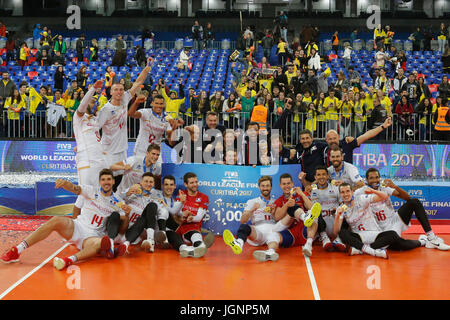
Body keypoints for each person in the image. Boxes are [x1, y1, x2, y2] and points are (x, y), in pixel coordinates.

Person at [0, 169, 131, 269]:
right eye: (103, 179)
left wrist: (127, 215)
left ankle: (68, 260)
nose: (106, 182)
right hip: (77, 227)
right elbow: (75, 189)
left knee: (100, 243)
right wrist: (65, 184)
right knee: (56, 219)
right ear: (100, 182)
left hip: (93, 235)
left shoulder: (118, 201)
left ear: (113, 181)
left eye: (109, 179)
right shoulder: (91, 191)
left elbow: (122, 228)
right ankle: (18, 250)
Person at [356, 168, 450, 251]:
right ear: (367, 180)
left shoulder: (384, 188)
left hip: (395, 220)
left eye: (376, 177)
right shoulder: (361, 192)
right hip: (381, 229)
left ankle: (431, 237)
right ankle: (423, 241)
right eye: (371, 178)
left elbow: (407, 198)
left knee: (414, 202)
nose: (374, 180)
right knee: (398, 246)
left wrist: (395, 186)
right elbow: (349, 199)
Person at [96, 58, 152, 179]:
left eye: (121, 89)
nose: (119, 92)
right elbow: (95, 129)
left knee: (120, 178)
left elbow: (137, 82)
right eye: (116, 89)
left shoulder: (125, 98)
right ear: (111, 92)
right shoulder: (105, 110)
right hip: (108, 150)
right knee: (107, 178)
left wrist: (146, 69)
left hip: (121, 148)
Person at [333, 183, 400, 258]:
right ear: (340, 194)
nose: (345, 194)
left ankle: (360, 250)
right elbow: (336, 232)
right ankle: (373, 251)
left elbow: (384, 197)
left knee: (393, 235)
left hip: (374, 234)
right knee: (342, 233)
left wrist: (373, 191)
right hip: (359, 236)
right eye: (342, 192)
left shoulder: (361, 199)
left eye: (347, 191)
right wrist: (337, 216)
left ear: (352, 192)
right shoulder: (341, 208)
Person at [222, 176, 281, 262]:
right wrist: (252, 209)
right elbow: (243, 220)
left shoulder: (276, 202)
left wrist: (274, 212)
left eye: (267, 186)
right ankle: (239, 243)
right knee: (244, 227)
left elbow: (280, 219)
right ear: (259, 187)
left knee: (274, 237)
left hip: (273, 228)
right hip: (258, 230)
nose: (265, 188)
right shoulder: (252, 201)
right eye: (263, 186)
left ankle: (270, 252)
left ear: (271, 187)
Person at [271, 174, 322, 257]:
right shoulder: (279, 200)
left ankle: (308, 245)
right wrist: (287, 204)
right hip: (291, 233)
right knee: (274, 235)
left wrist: (302, 194)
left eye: (288, 183)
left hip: (306, 230)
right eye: (284, 184)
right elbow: (277, 217)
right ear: (280, 185)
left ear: (292, 184)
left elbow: (312, 208)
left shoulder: (300, 195)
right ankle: (270, 251)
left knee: (314, 216)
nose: (286, 186)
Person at [118, 172, 169, 253]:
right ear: (141, 182)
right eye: (146, 181)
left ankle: (150, 240)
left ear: (154, 184)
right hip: (125, 228)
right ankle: (149, 241)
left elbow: (164, 213)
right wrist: (126, 194)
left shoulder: (154, 200)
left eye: (151, 182)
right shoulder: (131, 192)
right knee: (144, 216)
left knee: (151, 207)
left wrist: (164, 206)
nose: (148, 184)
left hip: (139, 233)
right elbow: (116, 199)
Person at [322, 116, 392, 166]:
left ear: (338, 137)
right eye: (330, 139)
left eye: (334, 138)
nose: (332, 141)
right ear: (326, 140)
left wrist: (383, 126)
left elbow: (366, 136)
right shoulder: (323, 149)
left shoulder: (347, 144)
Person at [128, 93, 180, 158]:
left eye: (161, 104)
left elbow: (171, 143)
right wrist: (136, 102)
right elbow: (131, 114)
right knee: (138, 168)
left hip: (156, 151)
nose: (159, 106)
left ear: (164, 105)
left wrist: (174, 129)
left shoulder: (168, 118)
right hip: (141, 149)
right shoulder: (146, 112)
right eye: (156, 103)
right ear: (152, 103)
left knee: (159, 167)